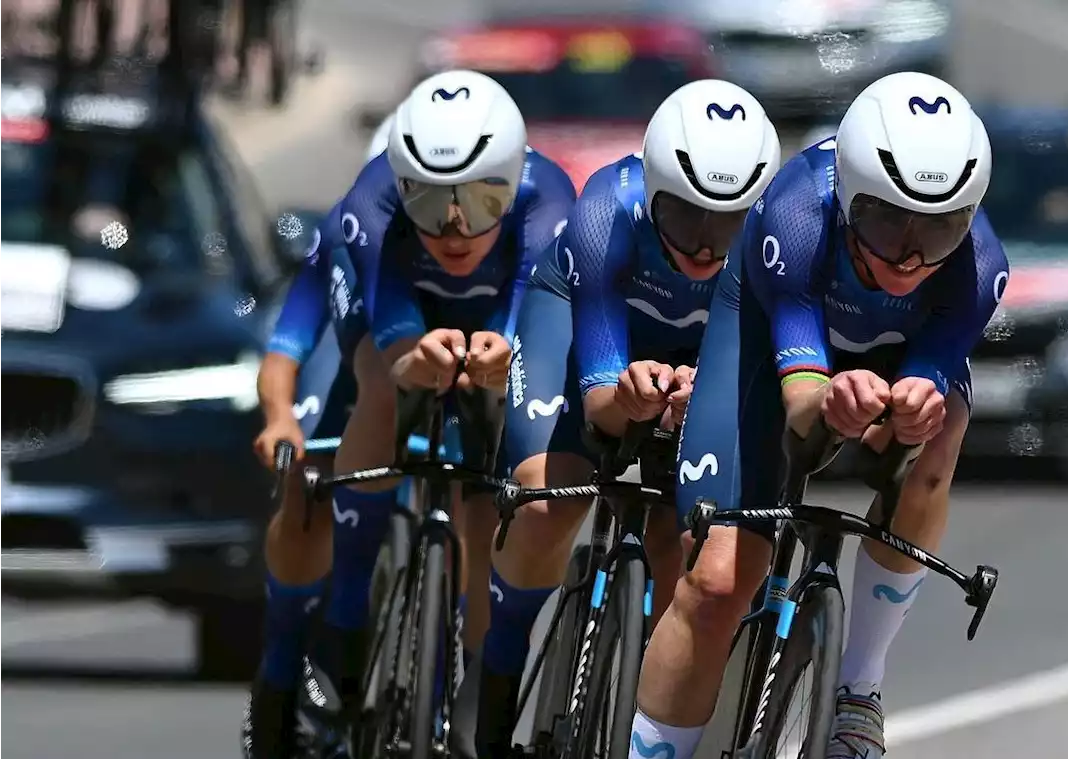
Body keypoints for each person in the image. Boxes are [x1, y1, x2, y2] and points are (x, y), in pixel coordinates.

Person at [630, 71, 1009, 759]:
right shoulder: (797, 210)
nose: (912, 253)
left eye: (941, 227)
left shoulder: (980, 266)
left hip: (888, 358)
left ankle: (858, 689)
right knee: (716, 581)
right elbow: (804, 413)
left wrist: (906, 410)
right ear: (848, 202)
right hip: (768, 335)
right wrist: (832, 402)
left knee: (941, 431)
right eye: (886, 221)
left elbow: (920, 391)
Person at [479, 79, 781, 754]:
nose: (705, 246)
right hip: (586, 334)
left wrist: (701, 395)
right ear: (650, 189)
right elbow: (599, 407)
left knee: (687, 534)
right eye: (684, 217)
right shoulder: (604, 210)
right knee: (543, 504)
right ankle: (499, 663)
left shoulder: (772, 246)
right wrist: (634, 394)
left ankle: (646, 709)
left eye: (728, 221)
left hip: (696, 361)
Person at [306, 68, 576, 749]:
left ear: (514, 183)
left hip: (499, 316)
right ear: (400, 188)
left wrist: (502, 354)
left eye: (484, 202)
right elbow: (386, 313)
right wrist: (409, 359)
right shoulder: (369, 200)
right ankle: (344, 616)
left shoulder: (550, 199)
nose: (455, 225)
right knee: (378, 381)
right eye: (428, 201)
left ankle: (476, 696)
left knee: (486, 499)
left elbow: (531, 301)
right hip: (402, 307)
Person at [241, 124, 391, 759]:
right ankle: (280, 670)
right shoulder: (347, 234)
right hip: (350, 359)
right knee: (307, 488)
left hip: (437, 364)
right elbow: (286, 346)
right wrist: (281, 418)